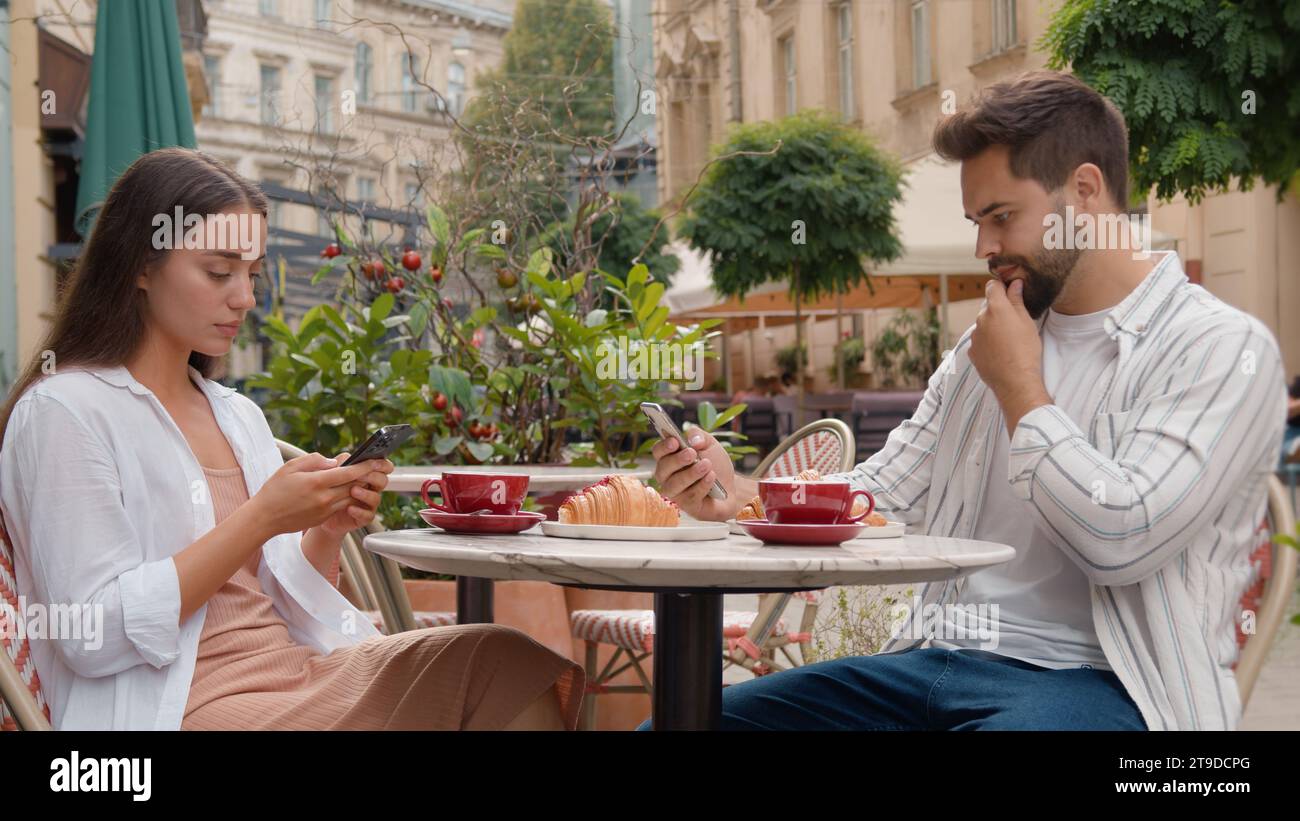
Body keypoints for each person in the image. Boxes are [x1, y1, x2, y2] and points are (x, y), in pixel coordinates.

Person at [647, 70, 1285, 731]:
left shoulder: (1215, 347)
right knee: (684, 723)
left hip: (1108, 685)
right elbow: (882, 493)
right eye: (977, 222)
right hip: (936, 660)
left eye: (1002, 216)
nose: (984, 247)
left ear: (1086, 192)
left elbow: (1120, 539)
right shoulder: (987, 344)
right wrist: (741, 495)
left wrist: (1021, 389)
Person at [0, 148, 584, 730]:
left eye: (251, 275)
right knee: (494, 668)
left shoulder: (236, 415)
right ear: (141, 265)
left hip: (294, 677)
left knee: (504, 659)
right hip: (180, 709)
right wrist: (260, 518)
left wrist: (325, 532)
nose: (245, 299)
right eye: (218, 271)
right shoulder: (64, 411)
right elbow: (89, 634)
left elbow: (274, 602)